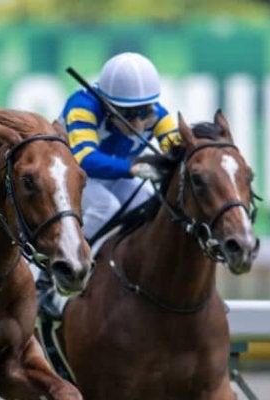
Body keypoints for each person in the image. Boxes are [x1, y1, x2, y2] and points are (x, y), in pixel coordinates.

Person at [38, 52, 181, 318]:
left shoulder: (158, 115)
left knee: (149, 206)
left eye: (144, 112)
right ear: (107, 104)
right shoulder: (82, 105)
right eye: (128, 113)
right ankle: (49, 275)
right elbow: (85, 158)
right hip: (71, 176)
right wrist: (132, 168)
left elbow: (179, 149)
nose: (138, 122)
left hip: (113, 176)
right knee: (106, 207)